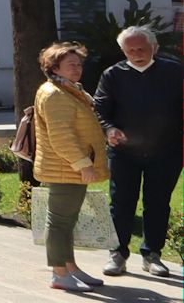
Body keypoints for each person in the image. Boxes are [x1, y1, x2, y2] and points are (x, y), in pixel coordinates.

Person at [94, 25, 183, 278]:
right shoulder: (112, 75)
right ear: (123, 51)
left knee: (157, 204)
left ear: (154, 47)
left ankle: (152, 254)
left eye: (141, 48)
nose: (136, 54)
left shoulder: (174, 72)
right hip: (124, 153)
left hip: (166, 151)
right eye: (129, 50)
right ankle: (118, 253)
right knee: (121, 203)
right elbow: (100, 109)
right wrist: (109, 129)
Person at [34, 41, 109, 292]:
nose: (77, 69)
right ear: (54, 67)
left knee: (67, 221)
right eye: (70, 65)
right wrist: (83, 164)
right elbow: (62, 136)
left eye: (79, 64)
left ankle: (70, 268)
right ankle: (59, 273)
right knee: (59, 222)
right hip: (66, 168)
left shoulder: (68, 90)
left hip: (69, 168)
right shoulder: (55, 94)